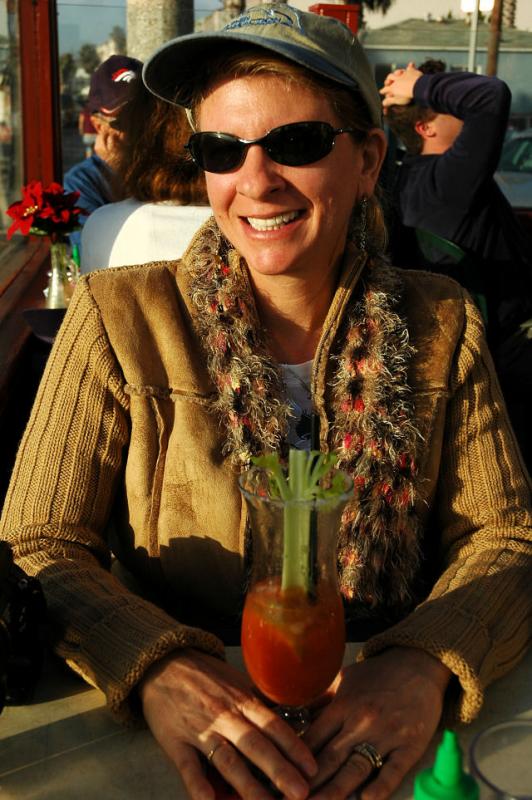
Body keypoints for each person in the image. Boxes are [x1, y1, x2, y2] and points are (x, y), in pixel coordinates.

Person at [1, 5, 531, 800]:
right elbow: (38, 539)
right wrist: (156, 663)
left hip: (384, 732)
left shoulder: (442, 322)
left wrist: (421, 661)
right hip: (173, 746)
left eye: (297, 143)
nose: (255, 181)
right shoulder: (116, 318)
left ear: (366, 158)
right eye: (222, 149)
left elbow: (507, 531)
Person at [381, 61, 532, 470]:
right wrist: (421, 85)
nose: (465, 119)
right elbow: (490, 98)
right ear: (425, 128)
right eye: (452, 110)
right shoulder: (449, 181)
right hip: (515, 358)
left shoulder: (408, 182)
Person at [80, 78, 211, 273]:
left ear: (135, 140)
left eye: (121, 126)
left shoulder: (102, 226)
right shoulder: (237, 226)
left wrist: (118, 171)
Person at [63, 55, 142, 254]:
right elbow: (97, 257)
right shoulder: (81, 183)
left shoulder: (175, 164)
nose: (142, 129)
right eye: (125, 121)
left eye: (148, 116)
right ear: (98, 124)